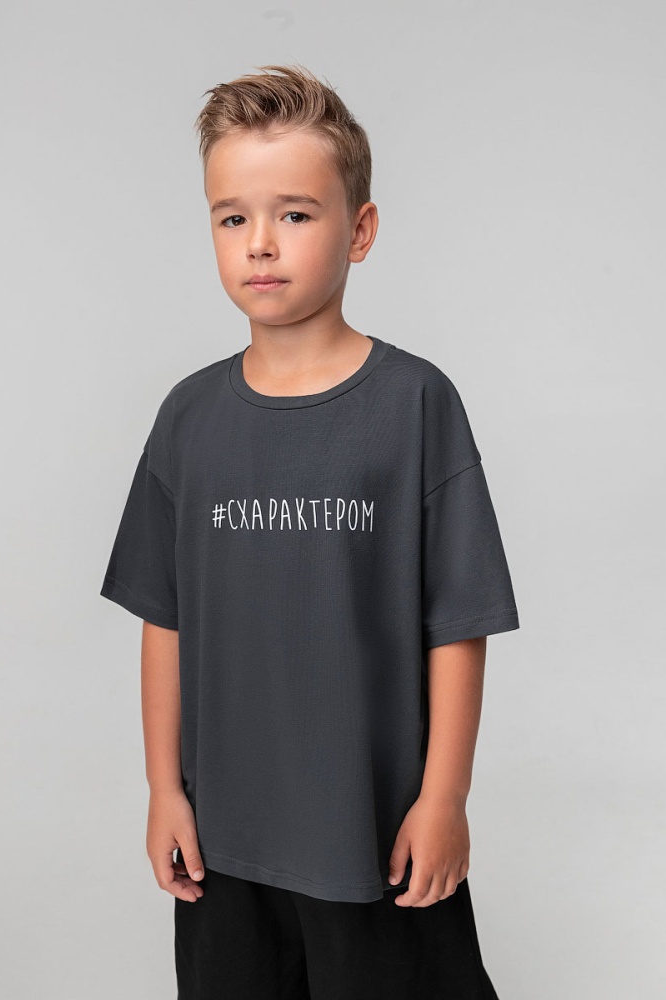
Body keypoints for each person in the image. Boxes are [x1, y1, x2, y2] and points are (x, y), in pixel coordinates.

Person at [100, 63, 520, 1000]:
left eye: (294, 213)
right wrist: (164, 789)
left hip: (371, 839)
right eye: (231, 218)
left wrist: (444, 798)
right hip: (225, 844)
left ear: (359, 231)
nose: (260, 242)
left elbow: (458, 624)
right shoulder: (187, 418)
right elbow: (164, 620)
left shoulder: (416, 405)